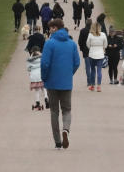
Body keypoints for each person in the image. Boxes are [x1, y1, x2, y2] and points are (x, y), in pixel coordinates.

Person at [40, 18, 80, 149]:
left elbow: (45, 63)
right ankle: (66, 130)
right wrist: (69, 74)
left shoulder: (49, 43)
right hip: (66, 82)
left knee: (54, 111)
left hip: (52, 82)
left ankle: (57, 141)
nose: (49, 30)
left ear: (55, 28)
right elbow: (76, 63)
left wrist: (44, 77)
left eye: (51, 28)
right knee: (67, 110)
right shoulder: (72, 44)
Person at [85, 21, 108, 92]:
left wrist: (91, 48)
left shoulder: (90, 35)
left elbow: (87, 44)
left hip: (92, 53)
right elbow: (105, 45)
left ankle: (92, 85)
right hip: (100, 54)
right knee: (99, 70)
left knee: (92, 70)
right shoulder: (103, 34)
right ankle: (99, 86)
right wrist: (102, 48)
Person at [27, 46, 45, 110]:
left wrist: (30, 72)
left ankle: (37, 103)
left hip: (34, 76)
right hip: (41, 74)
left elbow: (28, 68)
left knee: (37, 90)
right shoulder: (41, 57)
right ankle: (46, 98)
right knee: (44, 88)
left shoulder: (30, 59)